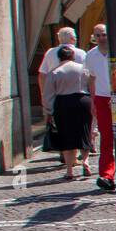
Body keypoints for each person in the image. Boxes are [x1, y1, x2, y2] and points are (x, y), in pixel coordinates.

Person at [43, 45, 95, 180]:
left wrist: (49, 111)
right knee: (84, 132)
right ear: (72, 56)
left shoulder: (54, 72)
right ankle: (85, 161)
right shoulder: (83, 69)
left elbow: (48, 95)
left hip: (63, 103)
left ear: (59, 57)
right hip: (83, 101)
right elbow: (91, 85)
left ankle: (69, 170)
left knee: (66, 136)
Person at [86, 24, 115, 191]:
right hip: (102, 98)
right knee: (106, 138)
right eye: (97, 35)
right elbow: (92, 79)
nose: (101, 38)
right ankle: (107, 175)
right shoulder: (91, 56)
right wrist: (93, 101)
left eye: (103, 34)